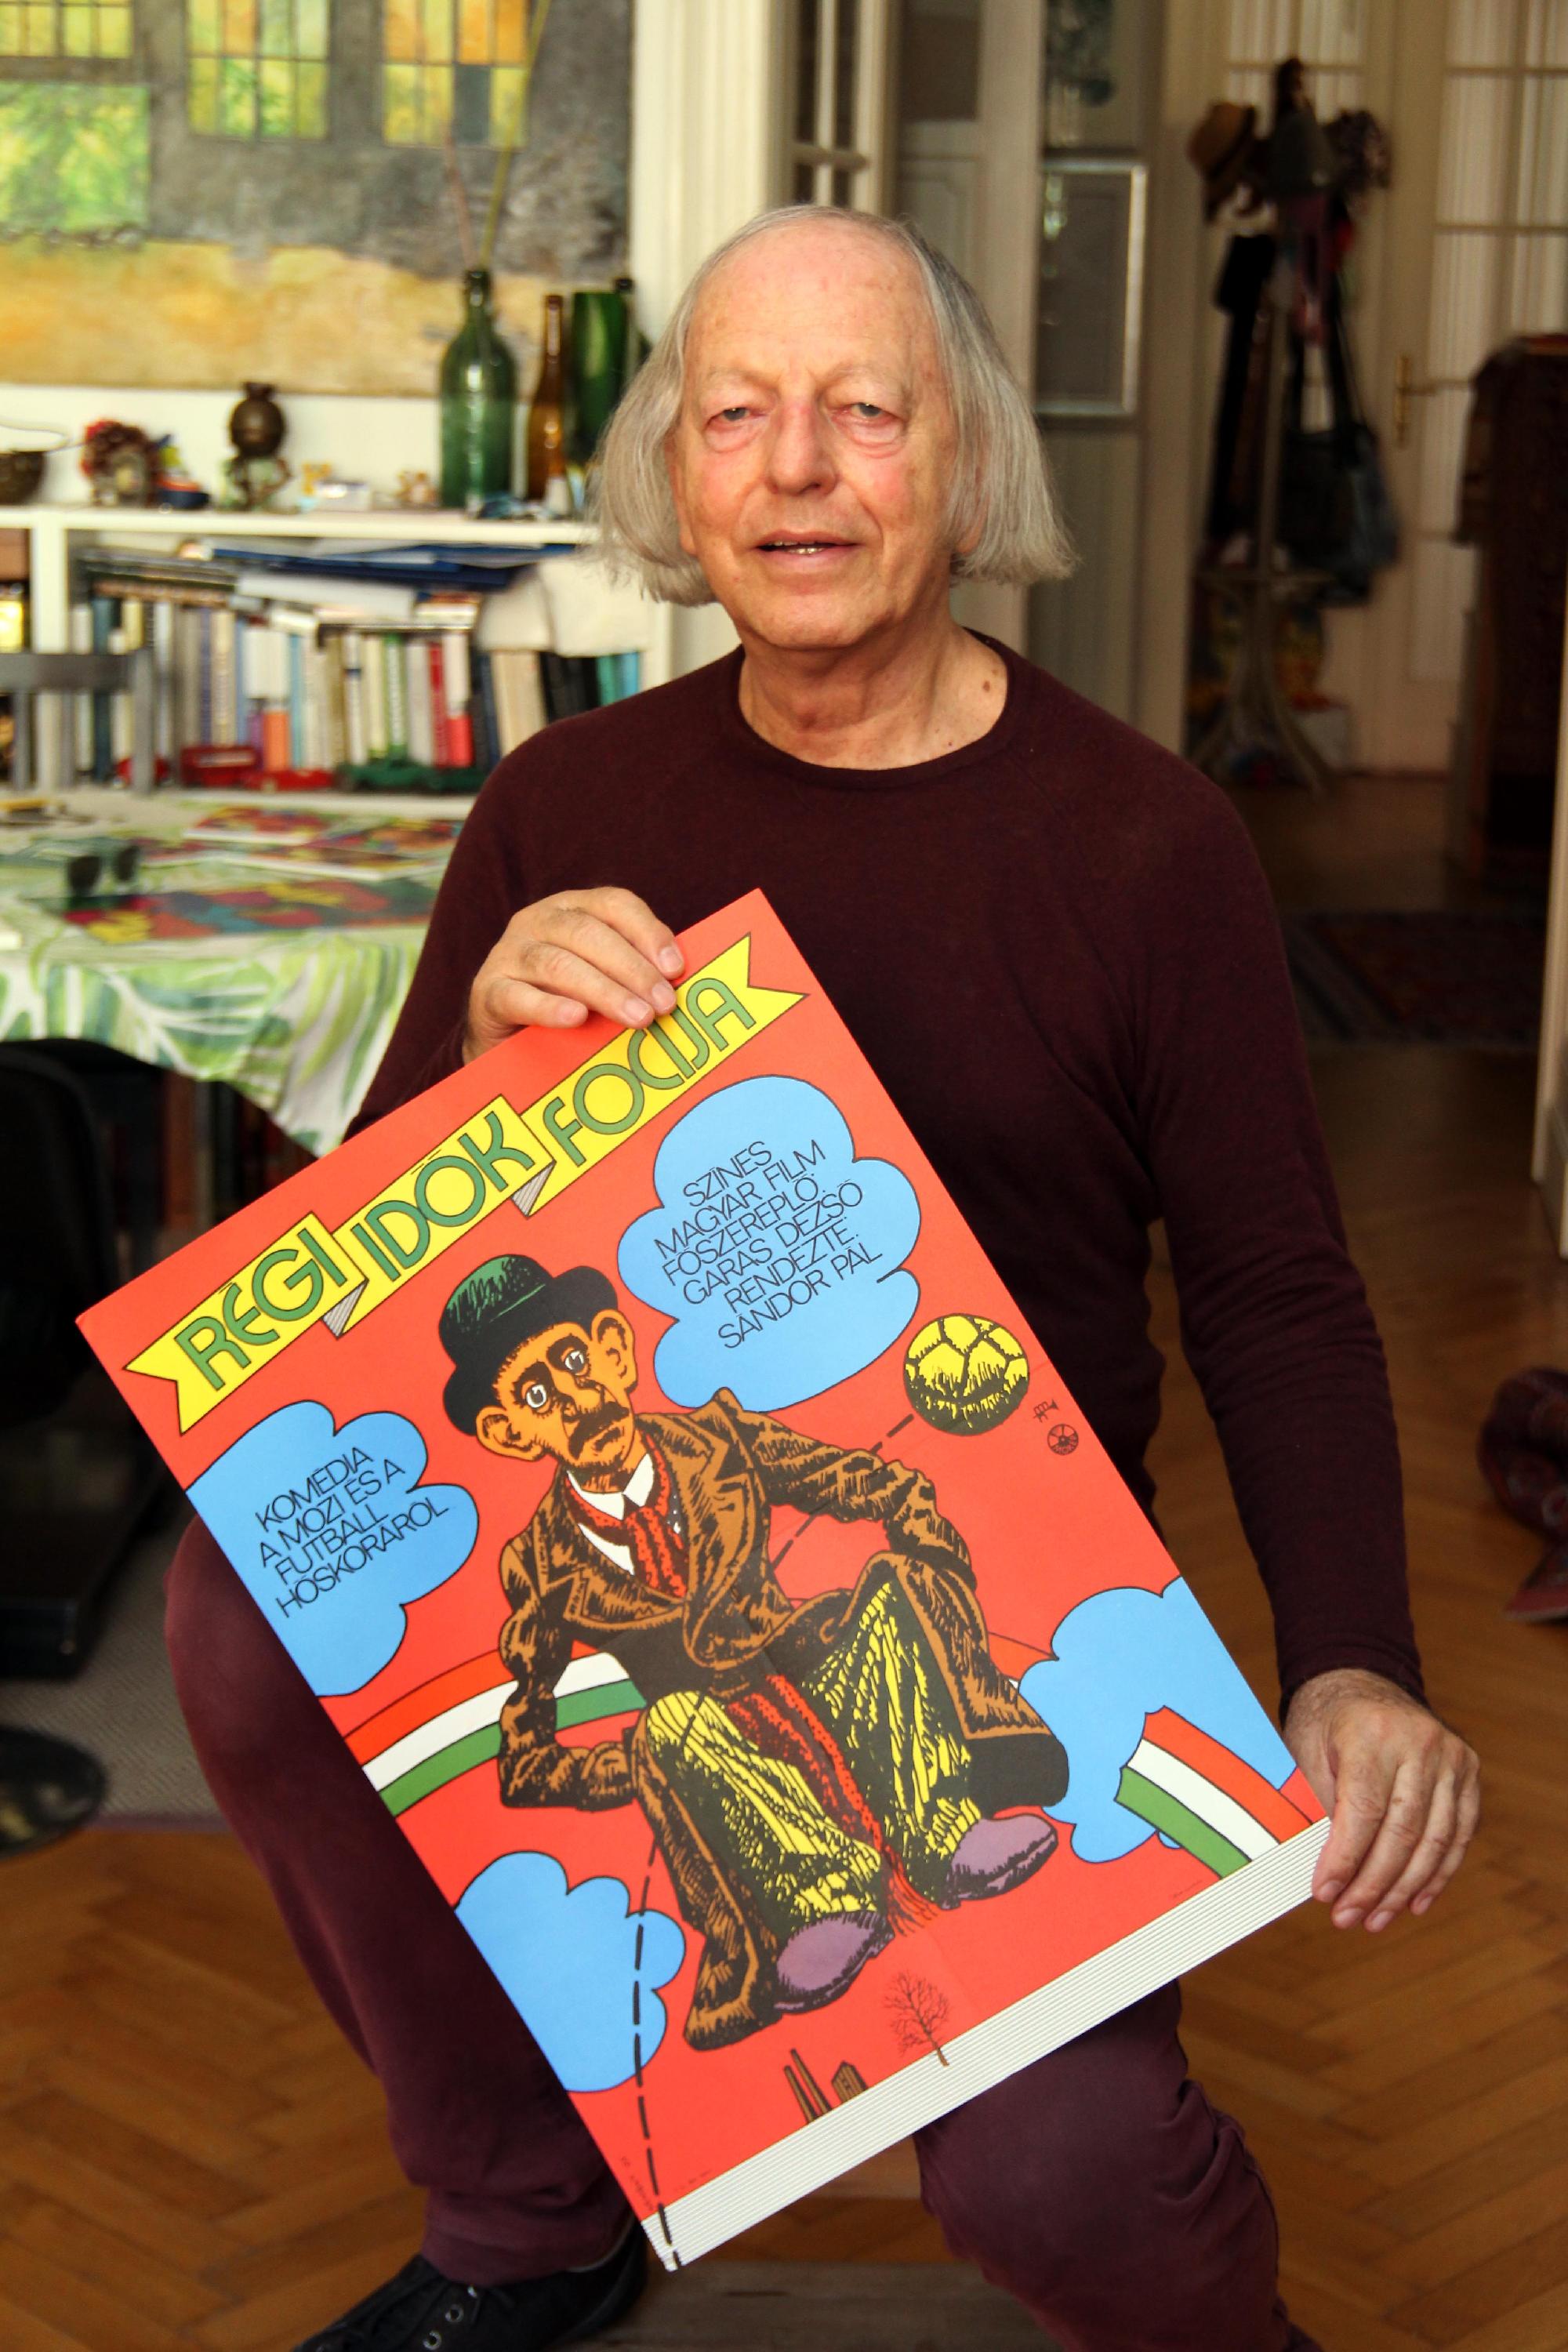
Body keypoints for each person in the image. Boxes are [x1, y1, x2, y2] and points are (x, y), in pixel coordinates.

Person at [166, 206, 1479, 2352]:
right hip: (662, 1645)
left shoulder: (1148, 843)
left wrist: (1352, 1659)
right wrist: (483, 1045)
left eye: (864, 412)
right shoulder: (564, 802)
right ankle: (525, 2222)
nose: (795, 469)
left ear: (965, 462)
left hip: (999, 1602)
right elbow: (361, 1287)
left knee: (1064, 2182)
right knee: (238, 1599)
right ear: (674, 473)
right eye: (737, 416)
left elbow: (1275, 1290)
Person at [441, 1249, 1064, 2048]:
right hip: (724, 1759)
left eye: (573, 1361)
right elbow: (525, 1761)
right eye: (537, 1395)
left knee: (889, 1583)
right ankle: (824, 1903)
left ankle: (946, 1828)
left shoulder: (718, 1440)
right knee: (670, 1725)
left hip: (822, 1684)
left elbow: (865, 1482)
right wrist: (643, 1765)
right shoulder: (539, 1562)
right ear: (507, 1432)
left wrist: (933, 1565)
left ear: (614, 1350)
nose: (576, 1399)